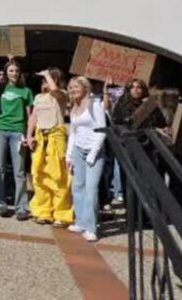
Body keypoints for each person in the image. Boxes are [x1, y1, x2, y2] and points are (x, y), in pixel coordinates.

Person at [26, 68, 73, 227]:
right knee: (39, 175)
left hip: (56, 136)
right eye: (43, 80)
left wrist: (47, 74)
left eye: (48, 80)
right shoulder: (38, 97)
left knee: (58, 176)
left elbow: (56, 92)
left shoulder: (62, 95)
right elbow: (34, 116)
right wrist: (29, 135)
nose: (44, 82)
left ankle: (61, 213)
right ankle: (43, 211)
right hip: (41, 137)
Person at [0, 60, 33, 220]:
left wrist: (29, 134)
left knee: (19, 171)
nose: (14, 73)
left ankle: (21, 207)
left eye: (16, 71)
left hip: (18, 132)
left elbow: (30, 115)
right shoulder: (0, 89)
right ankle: (0, 204)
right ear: (6, 73)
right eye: (11, 71)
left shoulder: (26, 91)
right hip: (0, 129)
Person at [67, 76, 107, 242]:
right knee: (78, 187)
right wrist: (69, 155)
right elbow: (73, 133)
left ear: (85, 88)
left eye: (76, 87)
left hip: (94, 152)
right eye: (71, 88)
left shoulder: (95, 104)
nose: (73, 90)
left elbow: (102, 130)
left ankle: (91, 228)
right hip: (78, 150)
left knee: (91, 190)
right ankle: (81, 221)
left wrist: (93, 153)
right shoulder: (74, 107)